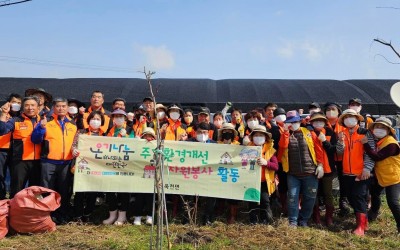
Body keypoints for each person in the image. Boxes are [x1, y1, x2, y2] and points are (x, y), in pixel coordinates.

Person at [31, 97, 77, 224]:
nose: (61, 108)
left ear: (67, 108)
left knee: (64, 191)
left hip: (66, 163)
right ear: (54, 108)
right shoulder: (46, 121)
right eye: (58, 106)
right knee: (47, 190)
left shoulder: (72, 124)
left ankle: (62, 214)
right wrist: (41, 128)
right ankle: (47, 215)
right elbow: (35, 140)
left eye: (63, 106)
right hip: (48, 162)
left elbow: (76, 142)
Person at [278, 110, 324, 227]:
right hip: (293, 173)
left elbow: (318, 149)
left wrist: (320, 164)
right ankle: (293, 221)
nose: (294, 124)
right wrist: (286, 132)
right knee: (292, 197)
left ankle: (304, 220)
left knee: (310, 198)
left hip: (310, 172)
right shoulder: (285, 134)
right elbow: (282, 147)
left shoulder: (309, 132)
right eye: (291, 122)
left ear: (300, 121)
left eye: (296, 121)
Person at [336, 109, 374, 236]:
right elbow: (340, 153)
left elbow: (370, 152)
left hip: (361, 172)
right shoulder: (342, 133)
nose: (349, 119)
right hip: (347, 172)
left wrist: (367, 169)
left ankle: (360, 227)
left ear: (357, 119)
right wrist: (340, 142)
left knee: (358, 197)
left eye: (351, 117)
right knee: (351, 198)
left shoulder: (365, 133)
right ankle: (364, 221)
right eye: (346, 117)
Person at [362, 117, 400, 233]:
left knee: (392, 202)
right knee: (374, 192)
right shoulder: (379, 141)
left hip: (393, 177)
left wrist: (366, 145)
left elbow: (377, 157)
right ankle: (373, 213)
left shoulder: (391, 144)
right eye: (377, 127)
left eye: (383, 128)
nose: (379, 129)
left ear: (388, 130)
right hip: (381, 176)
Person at [0, 96, 42, 198]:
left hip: (38, 162)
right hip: (20, 162)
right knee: (17, 191)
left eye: (33, 105)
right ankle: (15, 212)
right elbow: (3, 130)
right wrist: (3, 114)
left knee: (35, 191)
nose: (30, 108)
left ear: (38, 107)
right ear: (22, 107)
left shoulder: (45, 120)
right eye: (27, 105)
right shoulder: (16, 120)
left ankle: (33, 212)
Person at [71, 110, 106, 222]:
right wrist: (74, 150)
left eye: (98, 119)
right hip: (83, 165)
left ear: (102, 122)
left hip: (97, 167)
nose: (95, 121)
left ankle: (88, 213)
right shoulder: (81, 132)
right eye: (93, 118)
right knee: (80, 191)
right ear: (88, 120)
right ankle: (77, 215)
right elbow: (73, 145)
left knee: (92, 191)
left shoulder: (104, 135)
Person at [103, 109, 134, 226]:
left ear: (125, 118)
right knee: (110, 190)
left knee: (124, 191)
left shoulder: (130, 130)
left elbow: (136, 144)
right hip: (111, 165)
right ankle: (112, 215)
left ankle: (122, 216)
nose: (118, 118)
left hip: (125, 165)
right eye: (116, 116)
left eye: (121, 116)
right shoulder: (109, 131)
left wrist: (126, 136)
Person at [309, 112, 338, 226]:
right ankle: (316, 217)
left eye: (321, 121)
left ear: (325, 122)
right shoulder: (308, 133)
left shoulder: (330, 132)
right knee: (314, 193)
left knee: (328, 193)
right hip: (312, 168)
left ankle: (329, 217)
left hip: (328, 169)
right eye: (316, 121)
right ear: (311, 122)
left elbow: (333, 150)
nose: (318, 123)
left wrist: (324, 141)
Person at [323, 102, 350, 216]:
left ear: (338, 111)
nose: (330, 111)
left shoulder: (344, 125)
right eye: (328, 109)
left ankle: (343, 202)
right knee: (326, 181)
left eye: (333, 109)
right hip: (328, 159)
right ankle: (324, 204)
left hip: (342, 158)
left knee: (343, 181)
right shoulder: (322, 125)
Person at [247, 125, 278, 224]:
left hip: (264, 182)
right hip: (251, 181)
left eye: (261, 135)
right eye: (256, 135)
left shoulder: (270, 151)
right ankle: (253, 220)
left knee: (265, 201)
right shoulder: (246, 149)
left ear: (265, 138)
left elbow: (276, 166)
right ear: (252, 137)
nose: (258, 137)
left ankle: (265, 220)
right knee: (252, 201)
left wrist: (266, 163)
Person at [188, 122, 217, 224]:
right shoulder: (188, 143)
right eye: (199, 132)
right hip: (192, 175)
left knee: (212, 195)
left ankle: (207, 217)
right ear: (195, 132)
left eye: (204, 132)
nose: (202, 134)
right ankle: (189, 217)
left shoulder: (214, 144)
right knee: (189, 194)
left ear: (208, 133)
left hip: (208, 175)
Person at [216, 123, 240, 224]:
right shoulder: (216, 145)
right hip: (220, 172)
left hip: (233, 172)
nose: (227, 133)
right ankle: (219, 212)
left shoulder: (239, 146)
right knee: (219, 194)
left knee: (233, 195)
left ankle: (232, 215)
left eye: (230, 132)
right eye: (225, 131)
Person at [0, 93, 22, 199]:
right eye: (14, 102)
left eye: (19, 103)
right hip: (2, 150)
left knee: (15, 177)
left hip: (15, 151)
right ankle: (2, 199)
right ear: (9, 103)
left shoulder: (21, 117)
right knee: (1, 176)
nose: (16, 105)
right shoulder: (2, 113)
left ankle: (14, 200)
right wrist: (3, 114)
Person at [133, 127, 156, 226]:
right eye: (145, 136)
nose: (148, 138)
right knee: (139, 196)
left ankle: (149, 216)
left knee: (150, 196)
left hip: (150, 171)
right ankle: (137, 216)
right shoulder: (138, 145)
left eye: (150, 136)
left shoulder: (156, 145)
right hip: (138, 171)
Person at [271, 107, 288, 215]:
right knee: (282, 184)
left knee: (289, 183)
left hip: (289, 160)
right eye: (278, 115)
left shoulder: (290, 127)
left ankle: (292, 205)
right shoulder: (273, 129)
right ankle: (283, 205)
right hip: (278, 160)